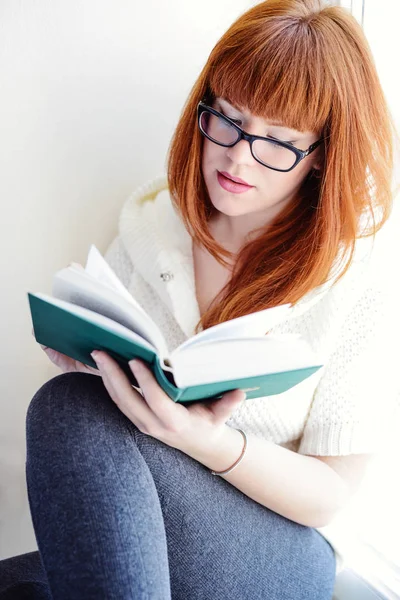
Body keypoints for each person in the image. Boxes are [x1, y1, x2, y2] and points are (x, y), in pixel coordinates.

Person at [1, 0, 399, 598]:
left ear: (320, 158)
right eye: (229, 121)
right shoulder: (152, 222)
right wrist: (90, 359)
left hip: (279, 543)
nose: (239, 157)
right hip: (156, 514)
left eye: (277, 143)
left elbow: (330, 496)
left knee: (66, 410)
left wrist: (208, 442)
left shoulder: (356, 274)